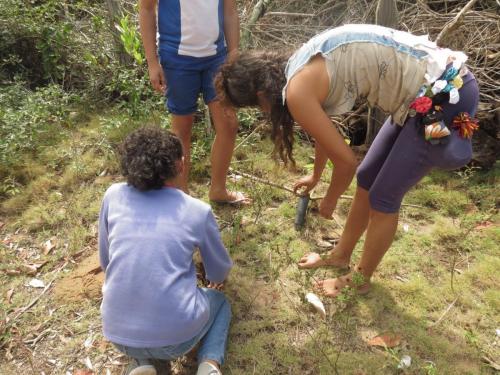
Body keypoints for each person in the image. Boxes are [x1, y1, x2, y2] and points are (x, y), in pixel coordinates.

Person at [215, 24, 479, 297]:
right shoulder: (297, 69)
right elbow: (324, 134)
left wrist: (330, 199)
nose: (264, 112)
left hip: (444, 98)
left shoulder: (296, 91)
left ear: (260, 95)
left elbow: (345, 163)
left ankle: (360, 279)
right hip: (420, 95)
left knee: (384, 197)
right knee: (368, 177)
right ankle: (341, 254)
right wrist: (316, 176)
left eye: (257, 107)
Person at [98, 127, 233, 375]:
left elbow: (106, 262)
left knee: (139, 341)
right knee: (221, 303)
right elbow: (219, 270)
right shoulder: (196, 210)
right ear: (180, 165)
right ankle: (209, 364)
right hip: (177, 338)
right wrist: (213, 282)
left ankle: (142, 364)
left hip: (118, 334)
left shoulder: (113, 195)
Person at [139, 0, 249, 204]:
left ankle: (218, 190)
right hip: (177, 57)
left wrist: (233, 52)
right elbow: (146, 9)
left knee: (228, 124)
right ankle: (181, 196)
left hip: (217, 57)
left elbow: (230, 10)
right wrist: (152, 63)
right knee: (182, 130)